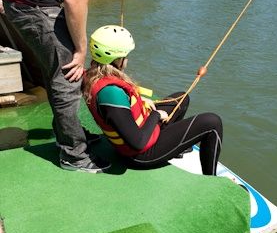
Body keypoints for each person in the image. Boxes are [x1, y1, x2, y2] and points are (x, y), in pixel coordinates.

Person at [2, 0, 160, 173]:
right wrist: (81, 49)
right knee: (68, 75)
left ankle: (70, 134)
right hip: (33, 5)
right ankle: (74, 155)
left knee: (60, 72)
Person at [83, 25, 223, 175]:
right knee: (212, 122)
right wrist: (156, 116)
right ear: (117, 59)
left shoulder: (93, 75)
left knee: (182, 98)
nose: (127, 59)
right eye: (126, 55)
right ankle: (212, 178)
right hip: (140, 155)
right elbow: (138, 142)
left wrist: (141, 101)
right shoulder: (111, 93)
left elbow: (119, 112)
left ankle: (175, 148)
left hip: (141, 135)